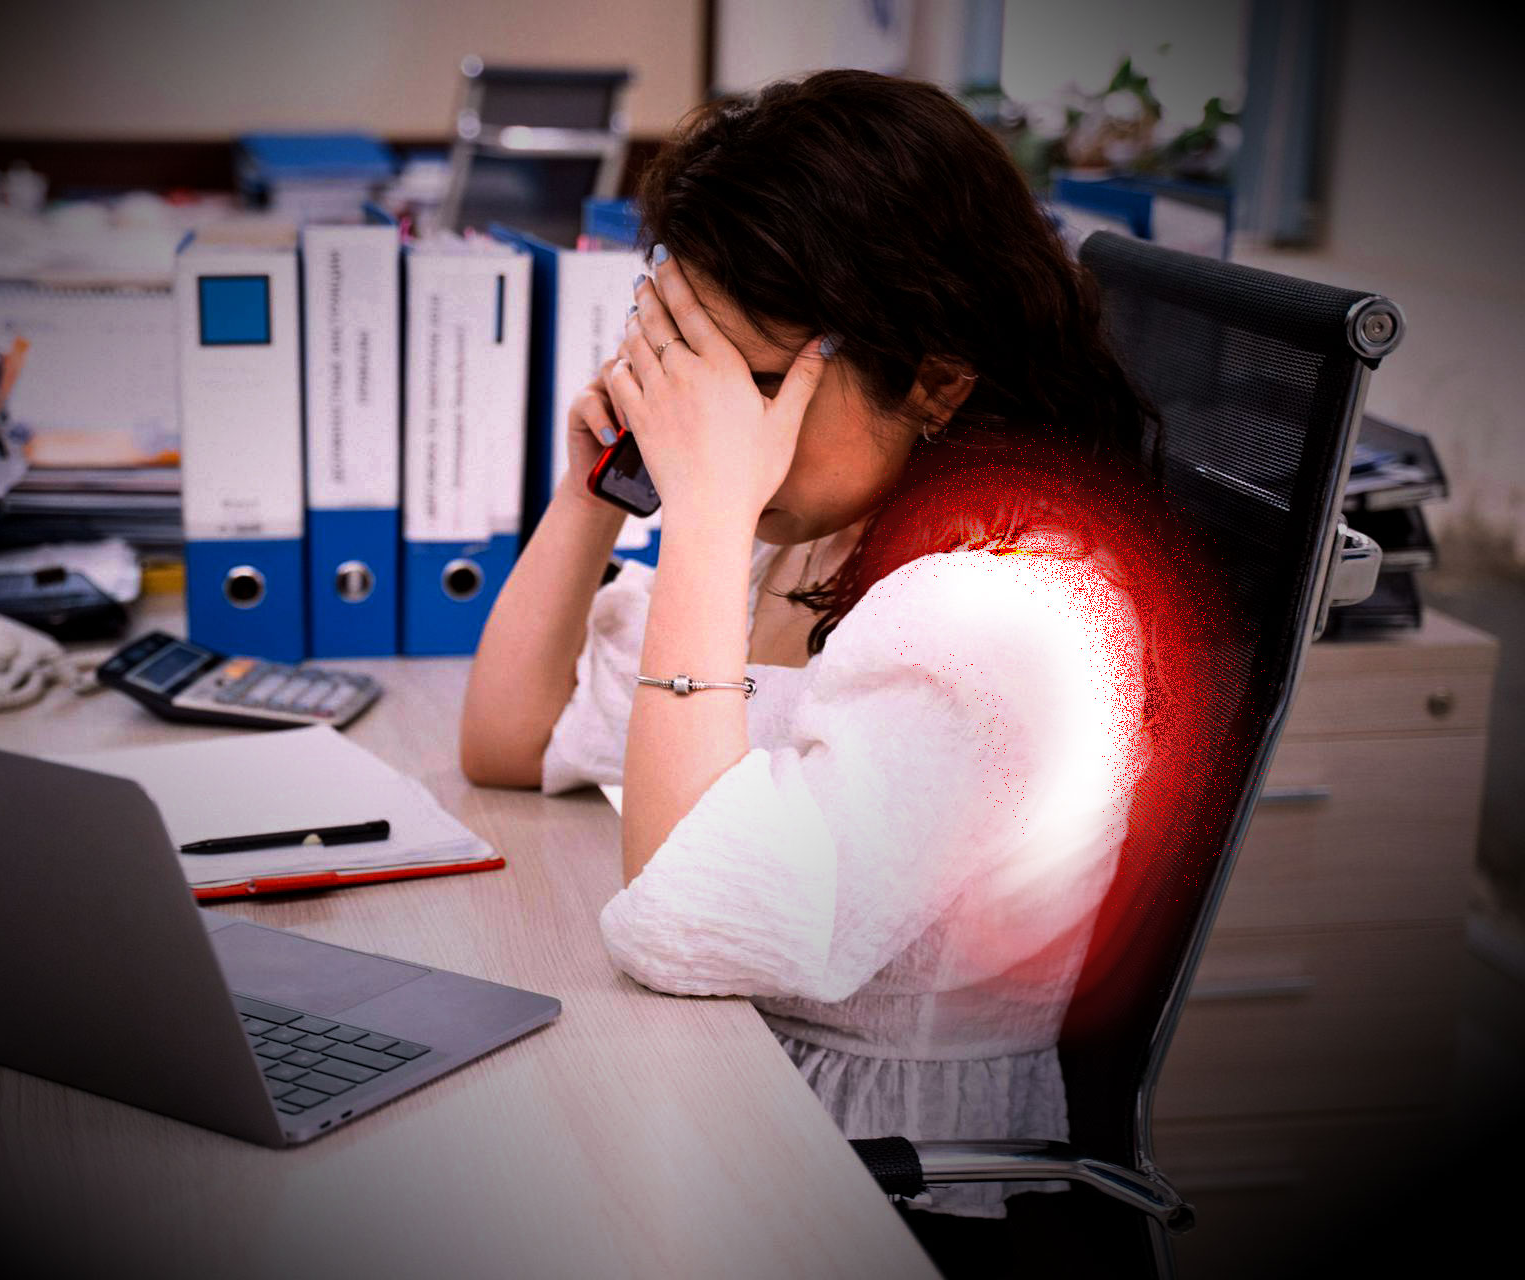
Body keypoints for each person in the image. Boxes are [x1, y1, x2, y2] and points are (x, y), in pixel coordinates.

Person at [457, 70, 1224, 1236]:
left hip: (884, 1189)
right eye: (689, 366)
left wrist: (708, 509)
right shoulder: (816, 532)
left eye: (756, 382)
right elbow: (511, 739)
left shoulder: (994, 615)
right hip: (724, 1096)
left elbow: (684, 923)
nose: (709, 418)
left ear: (936, 380)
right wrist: (595, 486)